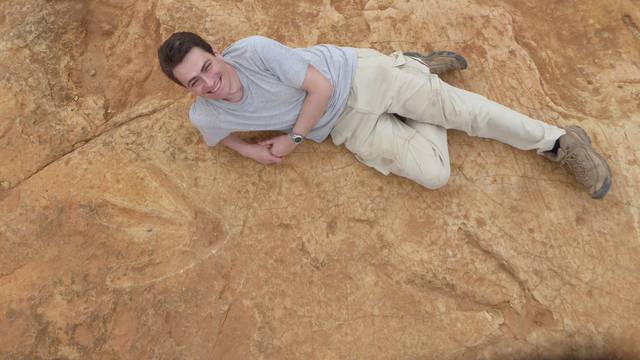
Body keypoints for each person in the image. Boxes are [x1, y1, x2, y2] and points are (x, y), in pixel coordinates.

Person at [157, 32, 612, 198]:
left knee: (465, 113)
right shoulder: (206, 114)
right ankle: (418, 72)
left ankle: (559, 142)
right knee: (434, 175)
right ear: (187, 91)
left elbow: (321, 87)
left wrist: (292, 140)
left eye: (207, 67)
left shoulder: (255, 51)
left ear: (217, 53)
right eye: (194, 82)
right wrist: (251, 152)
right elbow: (216, 136)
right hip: (344, 126)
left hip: (358, 77)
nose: (209, 82)